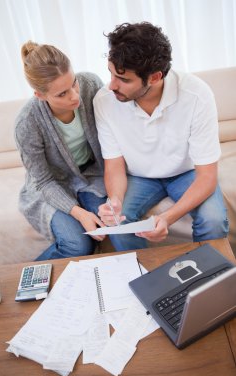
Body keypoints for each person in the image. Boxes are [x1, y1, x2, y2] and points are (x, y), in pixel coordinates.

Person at [94, 22, 229, 251]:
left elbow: (206, 176)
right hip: (138, 176)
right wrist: (114, 201)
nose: (111, 86)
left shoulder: (197, 95)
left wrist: (166, 218)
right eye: (111, 73)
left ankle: (207, 280)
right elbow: (114, 164)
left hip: (187, 173)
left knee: (214, 219)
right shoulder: (104, 101)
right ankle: (144, 279)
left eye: (124, 79)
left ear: (155, 77)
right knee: (119, 223)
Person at [15, 41, 107, 260]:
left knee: (109, 226)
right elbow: (44, 181)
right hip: (52, 184)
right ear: (40, 95)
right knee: (77, 245)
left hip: (91, 175)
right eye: (62, 94)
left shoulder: (91, 84)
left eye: (73, 83)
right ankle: (24, 282)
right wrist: (80, 213)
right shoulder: (27, 124)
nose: (74, 96)